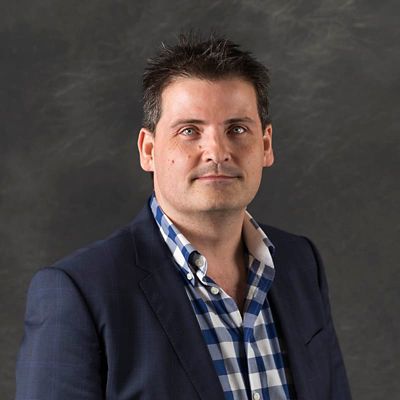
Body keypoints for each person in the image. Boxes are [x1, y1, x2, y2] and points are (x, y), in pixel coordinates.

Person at [16, 34, 351, 400]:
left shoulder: (301, 264)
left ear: (266, 146)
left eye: (237, 129)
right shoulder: (80, 292)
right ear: (148, 150)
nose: (217, 151)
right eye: (189, 131)